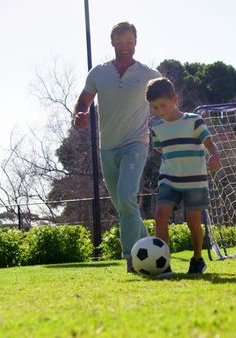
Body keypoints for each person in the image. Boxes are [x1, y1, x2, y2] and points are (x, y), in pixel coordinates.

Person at [73, 22, 161, 273]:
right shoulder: (98, 73)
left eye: (130, 42)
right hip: (108, 147)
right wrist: (79, 114)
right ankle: (150, 249)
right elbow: (83, 102)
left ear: (136, 42)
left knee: (126, 197)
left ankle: (131, 257)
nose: (126, 47)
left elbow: (165, 102)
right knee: (123, 204)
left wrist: (168, 133)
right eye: (120, 42)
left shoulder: (149, 74)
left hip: (136, 142)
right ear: (112, 43)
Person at [146, 77, 221, 275]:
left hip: (195, 181)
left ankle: (197, 258)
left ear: (175, 99)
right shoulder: (156, 129)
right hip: (168, 179)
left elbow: (209, 142)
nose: (160, 111)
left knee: (193, 222)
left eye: (163, 105)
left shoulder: (194, 120)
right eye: (155, 107)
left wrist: (215, 154)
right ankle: (162, 264)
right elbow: (161, 149)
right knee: (160, 216)